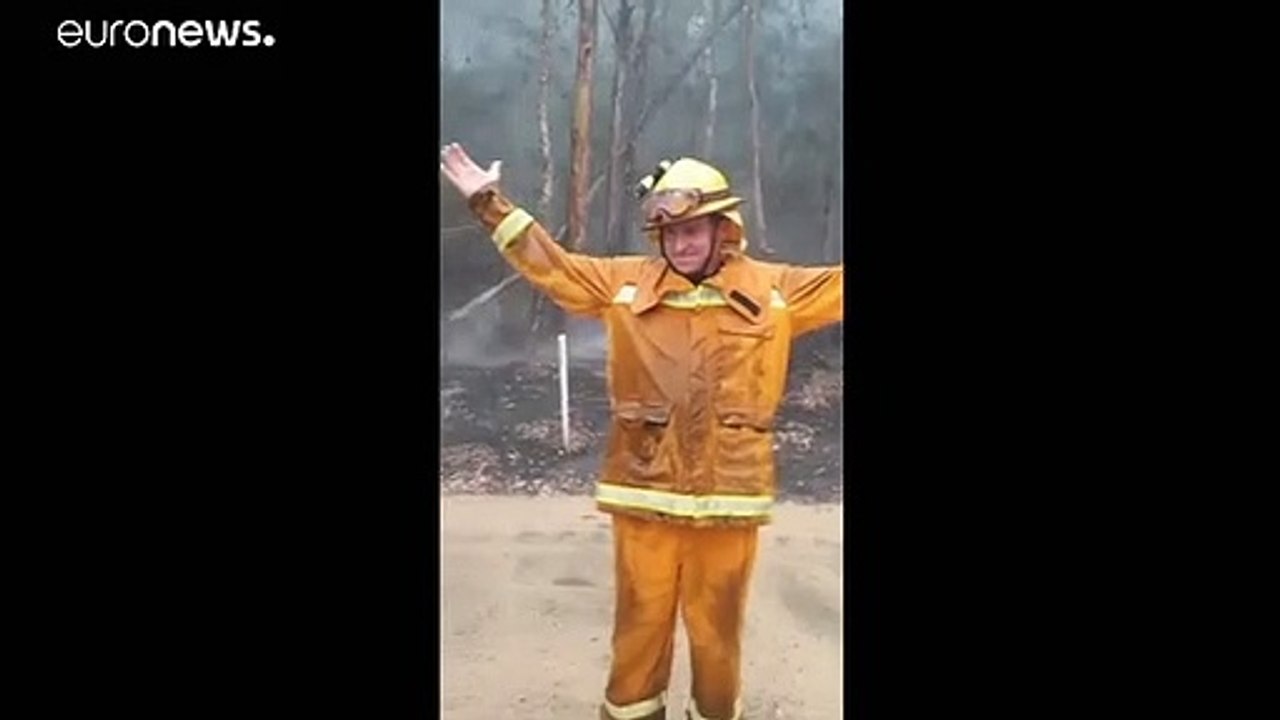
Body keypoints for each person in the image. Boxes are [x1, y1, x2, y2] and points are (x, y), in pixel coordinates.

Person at [440, 142, 843, 720]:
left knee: (717, 637)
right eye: (669, 233)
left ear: (723, 229)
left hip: (729, 504)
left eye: (692, 231)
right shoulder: (625, 285)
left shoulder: (774, 290)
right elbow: (552, 264)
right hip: (643, 496)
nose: (680, 244)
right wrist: (488, 201)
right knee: (639, 630)